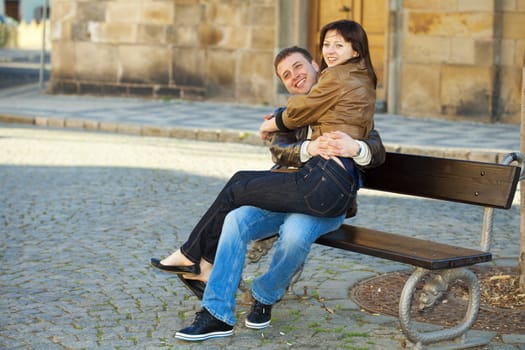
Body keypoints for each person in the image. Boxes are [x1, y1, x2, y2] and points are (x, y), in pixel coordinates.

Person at [173, 19, 379, 341]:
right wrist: (308, 147)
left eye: (299, 67)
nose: (295, 76)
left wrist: (358, 148)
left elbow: (376, 148)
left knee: (296, 234)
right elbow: (280, 151)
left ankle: (264, 294)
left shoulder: (344, 93)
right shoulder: (287, 116)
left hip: (322, 200)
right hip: (287, 191)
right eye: (286, 75)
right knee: (237, 218)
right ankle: (216, 311)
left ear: (315, 65)